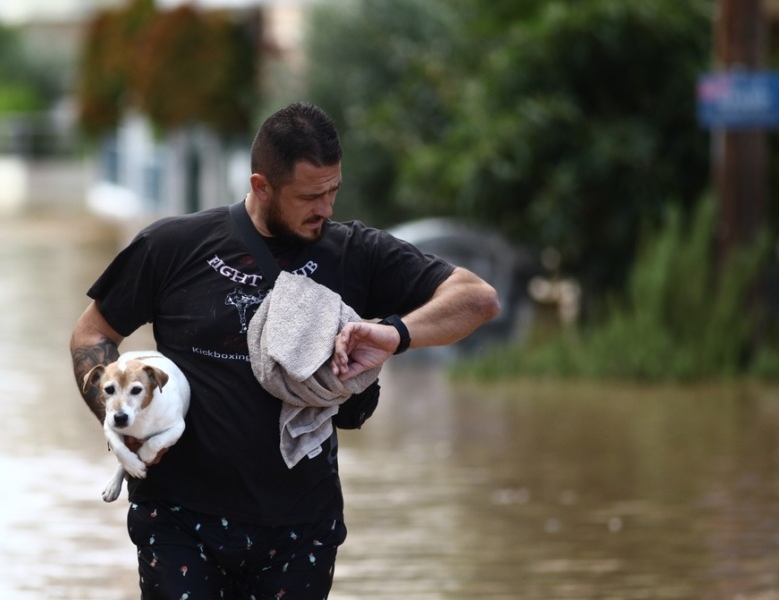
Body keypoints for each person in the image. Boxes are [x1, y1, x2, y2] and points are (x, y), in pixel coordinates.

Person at [70, 101, 500, 599]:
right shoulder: (174, 246)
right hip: (179, 520)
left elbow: (476, 298)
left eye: (333, 190)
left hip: (301, 529)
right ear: (261, 187)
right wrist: (119, 421)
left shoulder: (356, 254)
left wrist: (396, 332)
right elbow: (92, 332)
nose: (326, 208)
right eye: (310, 195)